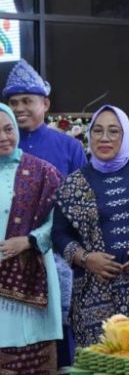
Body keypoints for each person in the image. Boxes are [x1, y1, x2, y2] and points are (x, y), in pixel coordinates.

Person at [52, 105, 129, 347]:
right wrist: (86, 258)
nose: (104, 138)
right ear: (89, 136)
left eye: (113, 131)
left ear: (125, 135)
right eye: (97, 131)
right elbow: (59, 233)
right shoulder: (74, 183)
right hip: (94, 296)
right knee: (101, 362)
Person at [2, 59, 85, 368]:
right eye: (13, 102)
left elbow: (78, 206)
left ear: (45, 104)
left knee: (58, 331)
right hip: (6, 259)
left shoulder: (68, 147)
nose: (20, 108)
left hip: (55, 257)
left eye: (27, 100)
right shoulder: (6, 141)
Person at [0, 103, 63, 374]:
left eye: (8, 129)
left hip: (34, 273)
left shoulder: (43, 171)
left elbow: (59, 219)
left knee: (34, 344)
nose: (3, 137)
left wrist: (29, 241)